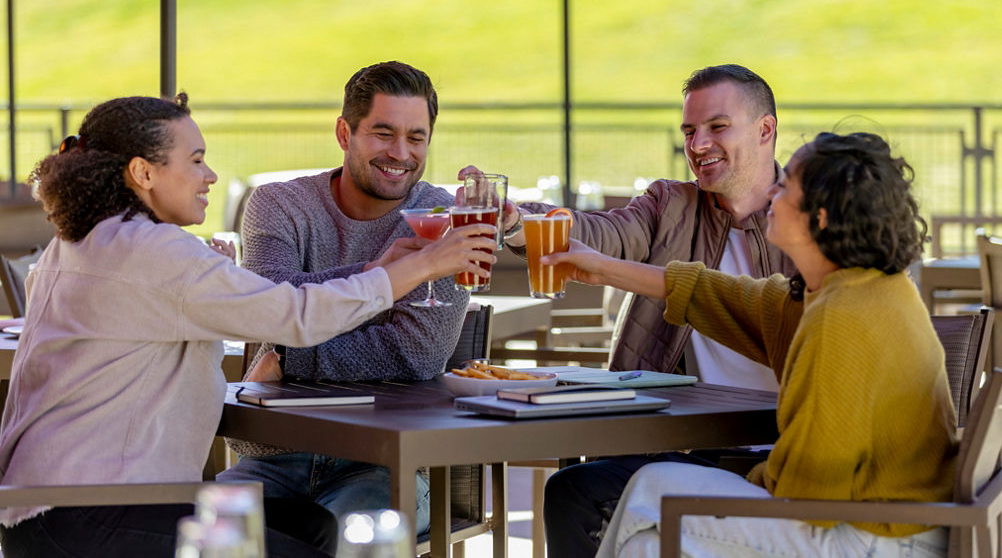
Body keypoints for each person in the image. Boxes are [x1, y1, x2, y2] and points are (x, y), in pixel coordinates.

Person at [0, 94, 494, 558]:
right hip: (91, 516)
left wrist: (375, 270)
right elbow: (295, 316)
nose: (210, 175)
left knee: (310, 527)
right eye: (195, 160)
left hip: (51, 507)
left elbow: (275, 301)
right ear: (143, 172)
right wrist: (422, 267)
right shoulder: (153, 252)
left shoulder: (88, 241)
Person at [545, 132, 954, 557]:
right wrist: (600, 268)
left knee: (651, 501)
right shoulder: (848, 288)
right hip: (876, 519)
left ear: (822, 216)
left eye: (786, 185)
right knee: (648, 519)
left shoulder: (844, 315)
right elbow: (719, 294)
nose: (772, 192)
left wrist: (751, 479)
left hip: (875, 536)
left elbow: (811, 488)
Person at [477, 64, 798, 555]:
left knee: (579, 490)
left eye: (717, 127)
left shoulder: (806, 220)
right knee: (578, 485)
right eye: (690, 130)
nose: (698, 144)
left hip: (782, 451)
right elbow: (603, 235)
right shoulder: (671, 205)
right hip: (688, 444)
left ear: (765, 130)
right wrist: (521, 222)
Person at [217, 60, 465, 535]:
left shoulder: (443, 215)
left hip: (382, 463)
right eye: (383, 133)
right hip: (275, 454)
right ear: (344, 132)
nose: (401, 153)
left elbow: (414, 354)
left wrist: (289, 357)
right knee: (209, 536)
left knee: (348, 540)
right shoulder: (279, 205)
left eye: (416, 137)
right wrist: (382, 277)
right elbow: (268, 309)